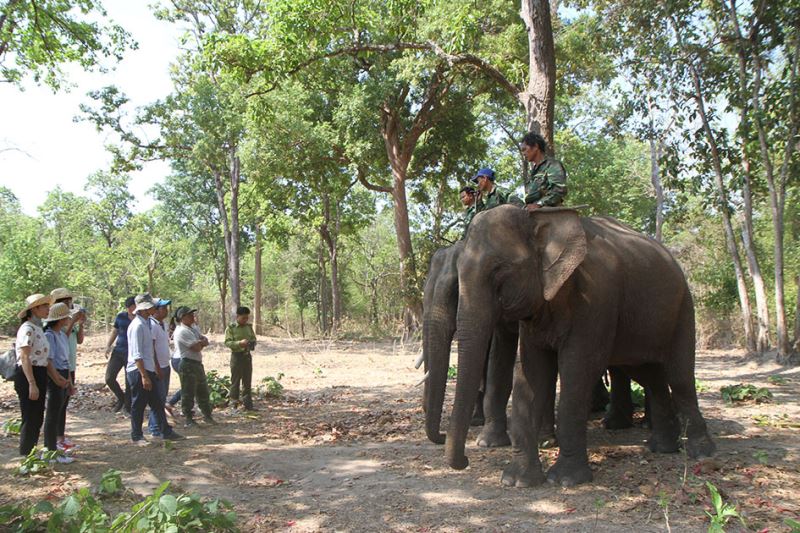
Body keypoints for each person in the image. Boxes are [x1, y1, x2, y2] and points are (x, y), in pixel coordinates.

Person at [126, 294, 183, 445]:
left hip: (148, 369)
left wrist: (155, 369)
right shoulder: (137, 326)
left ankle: (165, 431)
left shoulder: (146, 324)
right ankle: (136, 435)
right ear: (146, 308)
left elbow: (149, 350)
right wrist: (144, 376)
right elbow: (137, 354)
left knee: (157, 402)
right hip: (138, 370)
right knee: (138, 404)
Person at [13, 294, 59, 456]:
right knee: (30, 416)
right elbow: (25, 357)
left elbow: (44, 359)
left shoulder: (37, 328)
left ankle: (31, 451)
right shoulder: (27, 329)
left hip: (39, 372)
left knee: (37, 416)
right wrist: (31, 383)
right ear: (35, 309)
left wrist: (56, 378)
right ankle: (25, 455)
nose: (48, 309)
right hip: (28, 373)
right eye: (45, 306)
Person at [50, 288, 84, 448]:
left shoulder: (69, 320)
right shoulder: (52, 324)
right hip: (57, 367)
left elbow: (79, 340)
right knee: (56, 404)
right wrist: (72, 321)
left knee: (64, 402)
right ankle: (54, 440)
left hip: (69, 364)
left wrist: (80, 324)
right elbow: (63, 335)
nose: (69, 304)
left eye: (69, 300)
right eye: (65, 301)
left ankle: (60, 437)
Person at [42, 302, 75, 463]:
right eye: (66, 317)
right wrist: (57, 379)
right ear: (60, 319)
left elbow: (65, 359)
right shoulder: (49, 335)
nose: (68, 319)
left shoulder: (62, 335)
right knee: (53, 413)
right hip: (54, 375)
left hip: (63, 373)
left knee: (59, 409)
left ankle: (54, 449)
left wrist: (69, 380)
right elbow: (49, 361)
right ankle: (50, 450)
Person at [174, 306, 216, 427]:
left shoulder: (192, 329)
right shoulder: (182, 331)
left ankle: (207, 415)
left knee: (203, 390)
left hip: (197, 363)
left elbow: (204, 340)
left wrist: (201, 342)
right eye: (189, 315)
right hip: (188, 363)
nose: (193, 317)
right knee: (188, 392)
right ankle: (188, 418)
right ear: (182, 318)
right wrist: (201, 343)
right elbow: (196, 347)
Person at [519, 132, 567, 211]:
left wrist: (539, 204)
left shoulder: (552, 165)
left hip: (550, 211)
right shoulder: (534, 172)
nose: (523, 153)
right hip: (532, 211)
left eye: (525, 149)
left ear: (535, 146)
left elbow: (559, 190)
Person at [148, 298, 175, 437]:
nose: (166, 311)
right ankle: (155, 427)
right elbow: (151, 348)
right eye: (163, 308)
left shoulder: (162, 324)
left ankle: (156, 425)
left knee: (162, 397)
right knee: (157, 399)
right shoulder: (152, 325)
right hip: (157, 367)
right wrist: (156, 366)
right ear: (156, 310)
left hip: (165, 365)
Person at [104, 296, 135, 413]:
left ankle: (128, 406)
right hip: (118, 351)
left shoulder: (140, 319)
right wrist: (108, 346)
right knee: (109, 378)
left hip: (131, 354)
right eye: (129, 307)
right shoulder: (121, 317)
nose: (131, 309)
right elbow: (115, 331)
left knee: (129, 381)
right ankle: (121, 398)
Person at [225, 306, 258, 411]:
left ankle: (248, 405)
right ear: (237, 316)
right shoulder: (231, 328)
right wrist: (239, 343)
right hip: (236, 356)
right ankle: (233, 404)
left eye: (247, 318)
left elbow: (253, 338)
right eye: (243, 318)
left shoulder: (248, 327)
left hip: (247, 356)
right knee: (235, 381)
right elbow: (227, 342)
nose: (245, 320)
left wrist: (251, 343)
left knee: (247, 380)